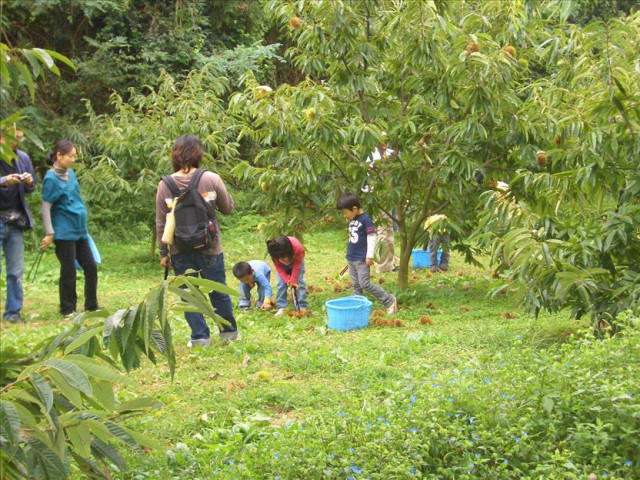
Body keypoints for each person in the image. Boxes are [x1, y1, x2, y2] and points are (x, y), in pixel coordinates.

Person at [155, 134, 237, 346]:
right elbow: (227, 209)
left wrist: (164, 254)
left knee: (189, 294)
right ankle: (229, 334)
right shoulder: (211, 178)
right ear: (199, 154)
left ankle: (200, 337)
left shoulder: (165, 185)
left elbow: (161, 223)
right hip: (210, 245)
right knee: (218, 289)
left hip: (179, 249)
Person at [40, 140, 99, 316]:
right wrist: (49, 232)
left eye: (75, 156)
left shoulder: (71, 174)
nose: (73, 159)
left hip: (80, 231)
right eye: (71, 156)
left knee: (91, 267)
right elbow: (46, 205)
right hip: (64, 232)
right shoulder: (51, 178)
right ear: (59, 155)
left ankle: (91, 305)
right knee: (68, 271)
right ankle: (68, 308)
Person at [337, 192, 398, 314]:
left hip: (361, 259)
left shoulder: (366, 220)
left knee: (364, 283)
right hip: (351, 258)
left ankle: (389, 300)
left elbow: (371, 237)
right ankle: (359, 307)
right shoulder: (353, 219)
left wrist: (369, 256)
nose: (344, 216)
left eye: (345, 212)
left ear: (354, 208)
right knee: (356, 285)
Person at [0, 130, 36, 323]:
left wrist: (29, 182)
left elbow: (32, 188)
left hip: (15, 220)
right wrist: (5, 181)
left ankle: (13, 314)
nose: (17, 143)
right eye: (13, 139)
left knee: (15, 271)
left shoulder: (23, 158)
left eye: (19, 140)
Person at [365, 133, 398, 273]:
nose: (384, 144)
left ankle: (390, 263)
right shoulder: (372, 157)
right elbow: (369, 180)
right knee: (383, 231)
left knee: (390, 229)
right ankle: (383, 265)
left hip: (390, 195)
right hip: (379, 196)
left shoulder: (391, 154)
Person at [266, 235, 307, 316]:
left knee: (299, 282)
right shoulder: (274, 251)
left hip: (296, 262)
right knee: (281, 284)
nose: (284, 260)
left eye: (285, 257)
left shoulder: (297, 248)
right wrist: (287, 280)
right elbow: (278, 267)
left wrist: (293, 279)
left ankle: (301, 305)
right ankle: (282, 306)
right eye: (280, 258)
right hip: (281, 267)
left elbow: (297, 264)